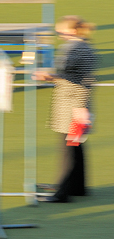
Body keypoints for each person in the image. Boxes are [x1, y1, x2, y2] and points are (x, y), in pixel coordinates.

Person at [34, 15, 98, 203]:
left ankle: (63, 193)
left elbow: (68, 73)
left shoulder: (76, 49)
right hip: (78, 105)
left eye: (60, 31)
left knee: (68, 149)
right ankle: (78, 187)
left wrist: (47, 76)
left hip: (73, 106)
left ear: (71, 31)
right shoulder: (84, 47)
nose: (59, 35)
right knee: (76, 147)